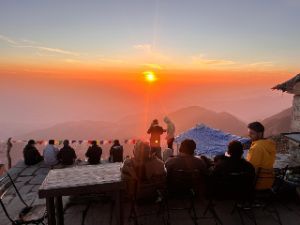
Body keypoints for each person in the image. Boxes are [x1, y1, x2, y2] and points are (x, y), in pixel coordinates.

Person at [246, 122, 276, 190]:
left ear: (259, 134)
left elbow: (250, 169)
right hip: (269, 182)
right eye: (249, 133)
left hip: (258, 183)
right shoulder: (270, 144)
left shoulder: (256, 148)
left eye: (251, 133)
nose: (249, 135)